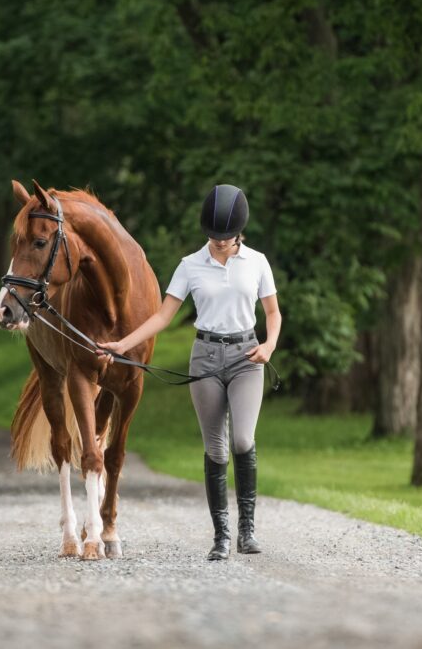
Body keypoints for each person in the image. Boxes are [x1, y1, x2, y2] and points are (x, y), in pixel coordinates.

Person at [96, 184, 282, 560]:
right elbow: (163, 316)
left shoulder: (258, 262)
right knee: (215, 447)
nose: (219, 243)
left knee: (242, 441)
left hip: (247, 356)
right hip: (206, 358)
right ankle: (221, 536)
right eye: (213, 237)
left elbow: (273, 313)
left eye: (226, 239)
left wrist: (269, 345)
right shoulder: (190, 265)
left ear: (239, 234)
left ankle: (247, 530)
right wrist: (123, 344)